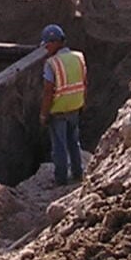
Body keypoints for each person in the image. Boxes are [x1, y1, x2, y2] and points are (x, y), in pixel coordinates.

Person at [40, 24, 86, 185]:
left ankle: (61, 178)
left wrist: (43, 114)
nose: (46, 48)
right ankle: (78, 173)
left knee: (59, 145)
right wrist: (83, 102)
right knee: (74, 142)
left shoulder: (51, 63)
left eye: (47, 44)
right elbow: (85, 82)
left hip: (58, 109)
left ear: (55, 42)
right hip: (75, 106)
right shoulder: (79, 57)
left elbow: (48, 91)